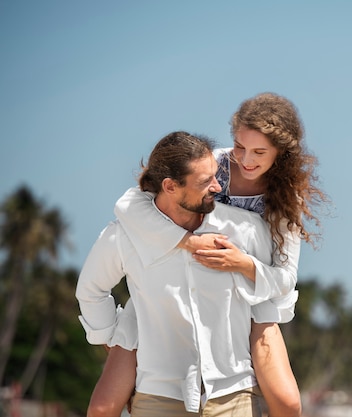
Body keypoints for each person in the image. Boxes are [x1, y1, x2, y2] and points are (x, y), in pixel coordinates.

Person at [88, 92, 329, 417]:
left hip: (252, 298)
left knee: (288, 403)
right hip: (170, 287)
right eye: (240, 146)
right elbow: (129, 204)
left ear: (280, 153)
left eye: (259, 152)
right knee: (104, 406)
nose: (245, 159)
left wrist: (242, 264)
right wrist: (183, 242)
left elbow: (285, 279)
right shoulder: (213, 164)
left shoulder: (286, 197)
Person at [76, 131, 276, 417]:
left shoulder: (244, 229)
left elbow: (273, 292)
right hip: (158, 397)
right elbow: (91, 291)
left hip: (234, 396)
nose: (218, 187)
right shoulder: (125, 236)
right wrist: (112, 338)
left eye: (215, 175)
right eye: (205, 181)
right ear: (170, 186)